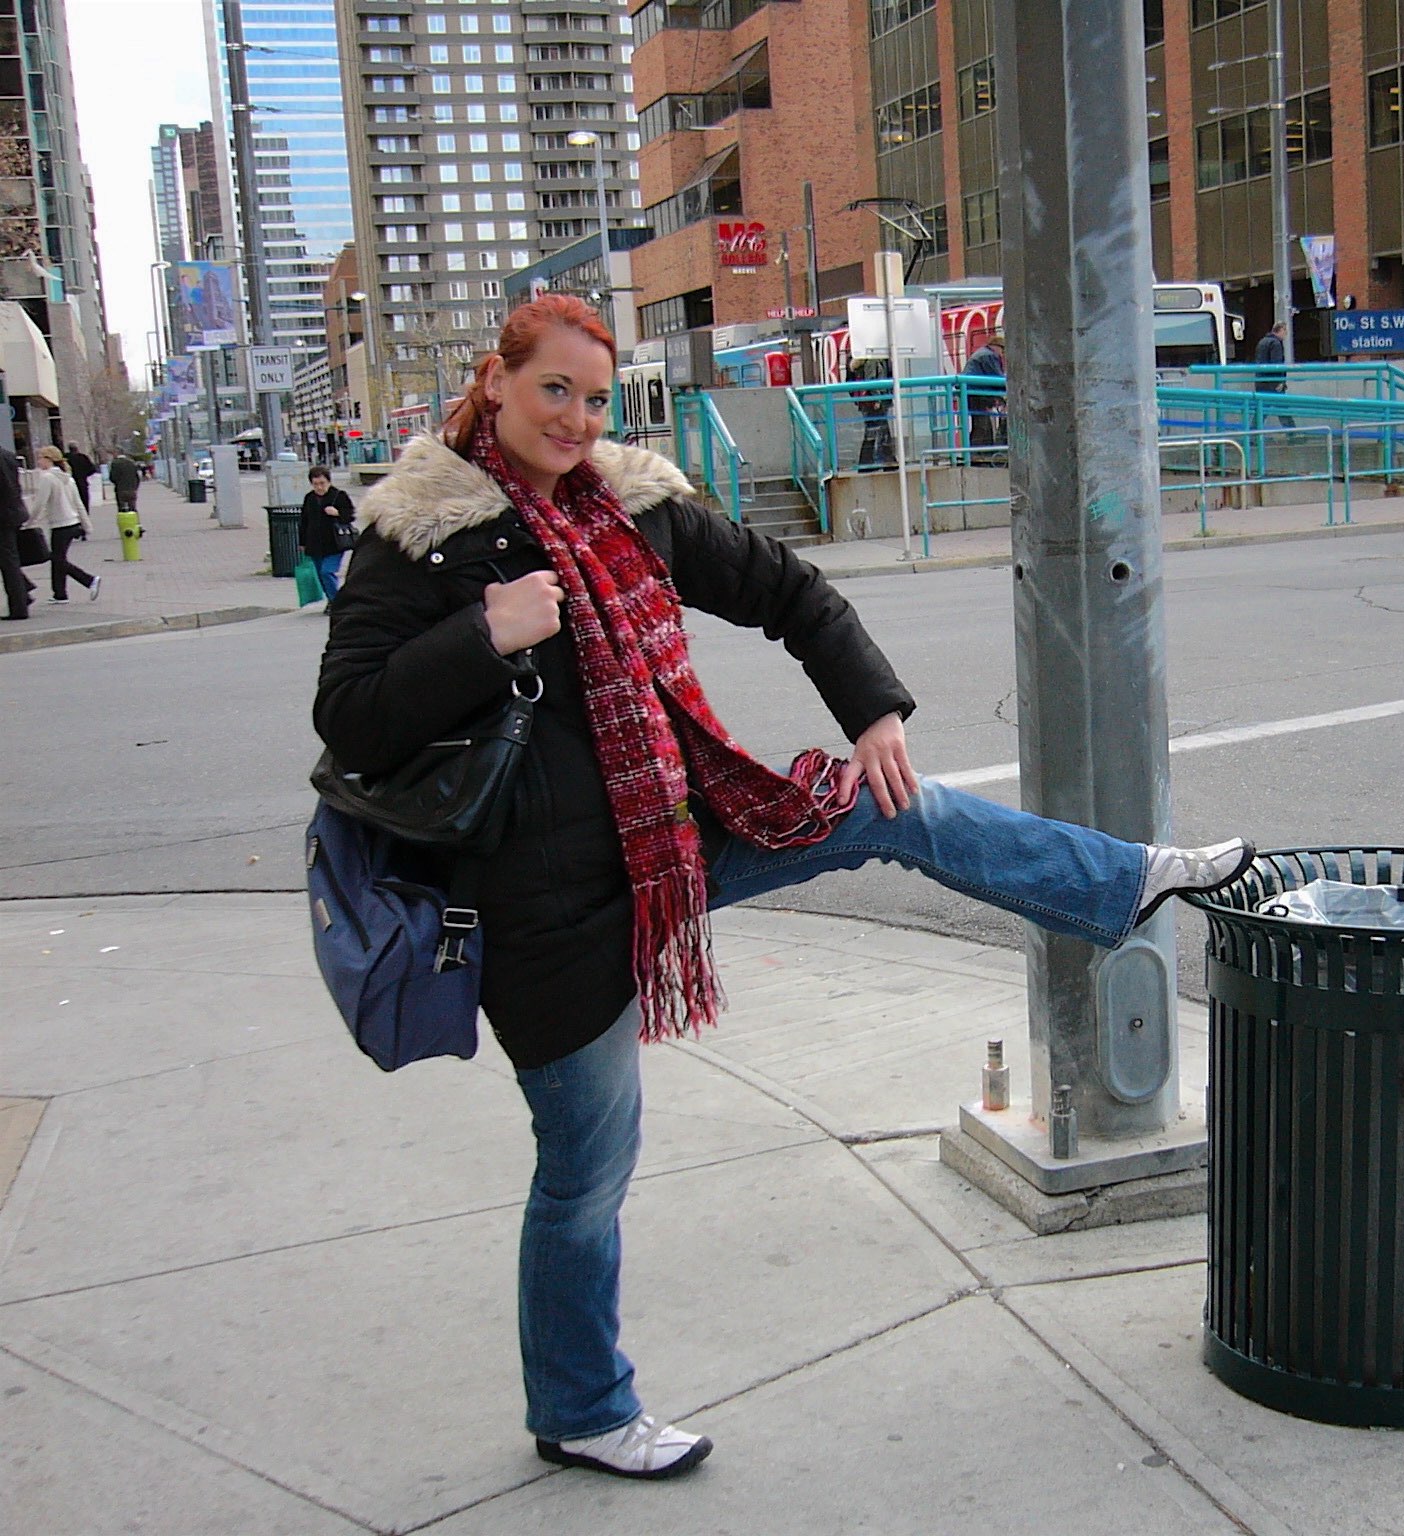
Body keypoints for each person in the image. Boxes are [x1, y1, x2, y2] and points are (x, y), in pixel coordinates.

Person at [313, 294, 1252, 1483]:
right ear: (494, 384)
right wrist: (484, 635)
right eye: (553, 389)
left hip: (677, 845)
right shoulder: (422, 538)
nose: (575, 418)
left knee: (886, 804)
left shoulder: (628, 509)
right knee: (587, 1169)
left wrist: (869, 708)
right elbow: (347, 718)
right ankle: (583, 1407)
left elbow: (790, 592)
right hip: (546, 913)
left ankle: (1118, 884)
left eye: (596, 397)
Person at [28, 445, 100, 602]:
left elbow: (40, 504)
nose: (38, 461)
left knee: (58, 560)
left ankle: (89, 580)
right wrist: (87, 525)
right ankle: (59, 594)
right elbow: (78, 503)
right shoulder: (67, 478)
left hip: (60, 524)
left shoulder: (47, 478)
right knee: (58, 559)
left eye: (40, 457)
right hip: (72, 523)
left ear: (49, 459)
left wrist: (30, 522)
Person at [298, 465, 356, 601]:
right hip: (314, 543)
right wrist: (302, 542)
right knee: (320, 574)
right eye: (315, 484)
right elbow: (304, 521)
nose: (319, 487)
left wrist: (338, 513)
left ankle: (337, 602)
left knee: (327, 571)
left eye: (322, 483)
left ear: (329, 482)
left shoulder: (339, 495)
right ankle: (331, 600)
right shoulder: (309, 498)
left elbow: (351, 515)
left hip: (334, 543)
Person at [962, 329, 1007, 455]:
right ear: (997, 347)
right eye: (1002, 350)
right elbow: (996, 378)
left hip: (972, 392)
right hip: (976, 393)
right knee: (983, 425)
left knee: (981, 424)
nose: (1002, 354)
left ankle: (976, 453)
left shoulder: (982, 353)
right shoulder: (989, 356)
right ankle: (980, 454)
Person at [849, 356, 896, 471]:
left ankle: (874, 462)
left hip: (871, 402)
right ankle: (884, 462)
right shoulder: (873, 361)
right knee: (880, 431)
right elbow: (872, 381)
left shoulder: (868, 361)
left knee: (875, 431)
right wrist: (877, 399)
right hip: (875, 401)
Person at [0, 445, 30, 620]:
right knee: (9, 559)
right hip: (14, 513)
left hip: (3, 517)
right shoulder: (9, 456)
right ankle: (23, 593)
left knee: (9, 562)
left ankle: (19, 606)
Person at [1253, 320, 1293, 429]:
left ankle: (1251, 435)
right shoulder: (1275, 344)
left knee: (1261, 411)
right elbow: (1277, 365)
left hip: (1261, 381)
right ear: (1281, 330)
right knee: (1283, 409)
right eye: (1285, 331)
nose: (1286, 334)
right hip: (1273, 383)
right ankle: (1293, 434)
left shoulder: (1262, 342)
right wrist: (1280, 382)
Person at [108, 450, 143, 529]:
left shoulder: (115, 463)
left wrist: (117, 483)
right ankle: (137, 526)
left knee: (122, 509)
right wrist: (135, 487)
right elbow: (137, 477)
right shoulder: (131, 463)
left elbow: (112, 477)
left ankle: (125, 528)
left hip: (120, 490)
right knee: (133, 508)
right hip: (132, 490)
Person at [64, 443, 95, 512]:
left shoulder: (66, 458)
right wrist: (85, 475)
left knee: (72, 502)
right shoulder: (83, 457)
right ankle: (85, 514)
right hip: (82, 482)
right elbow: (93, 469)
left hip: (70, 483)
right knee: (84, 502)